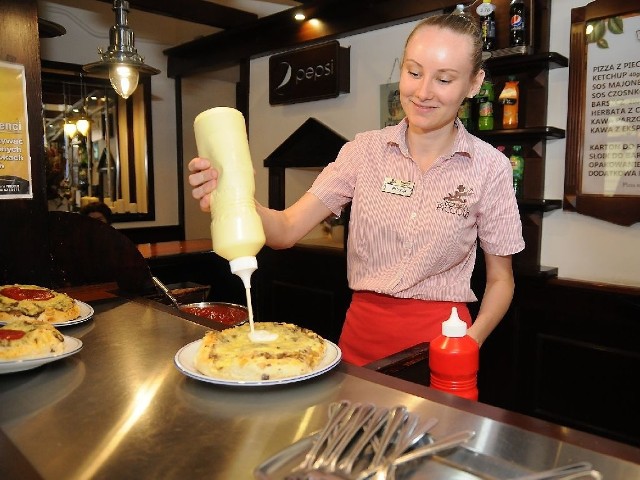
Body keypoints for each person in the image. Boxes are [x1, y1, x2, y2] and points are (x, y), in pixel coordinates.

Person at [188, 13, 525, 366]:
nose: (423, 92)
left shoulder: (490, 167)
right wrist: (231, 197)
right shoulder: (363, 152)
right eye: (413, 72)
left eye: (444, 79)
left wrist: (470, 343)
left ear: (474, 84)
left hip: (446, 342)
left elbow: (502, 280)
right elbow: (285, 231)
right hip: (362, 340)